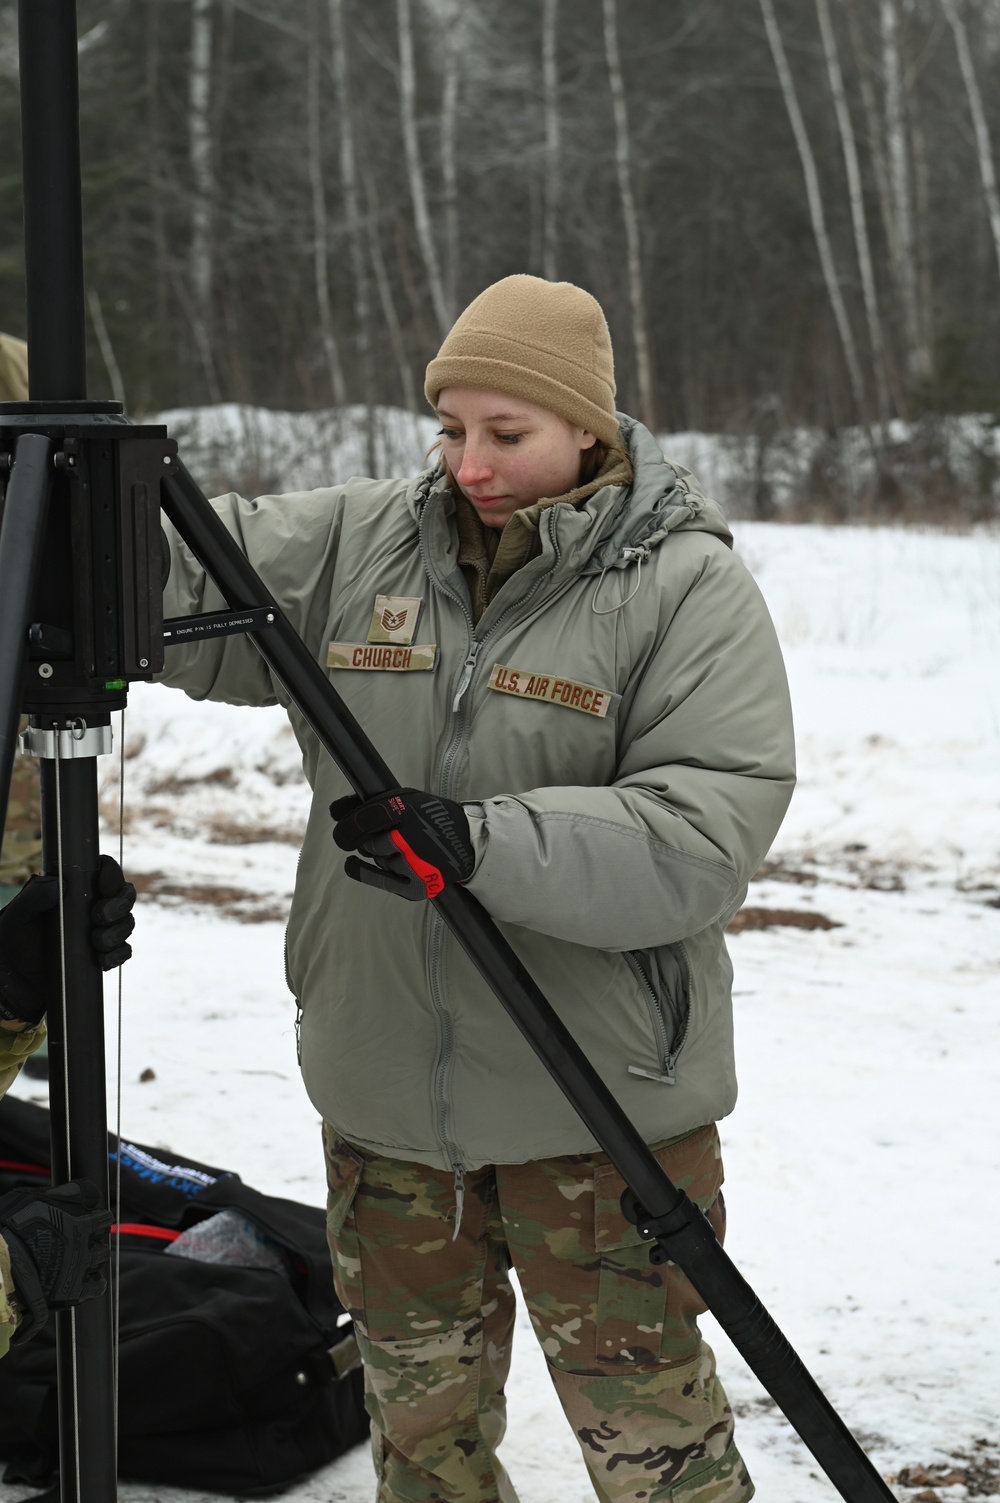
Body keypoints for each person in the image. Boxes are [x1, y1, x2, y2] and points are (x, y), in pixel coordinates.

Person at [159, 275, 795, 1503]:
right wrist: (63, 491)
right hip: (387, 1105)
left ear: (588, 433)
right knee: (421, 1454)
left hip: (598, 1119)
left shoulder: (679, 585)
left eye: (508, 435)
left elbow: (703, 833)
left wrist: (480, 842)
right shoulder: (361, 539)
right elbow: (176, 571)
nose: (469, 464)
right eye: (452, 430)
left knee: (657, 1459)